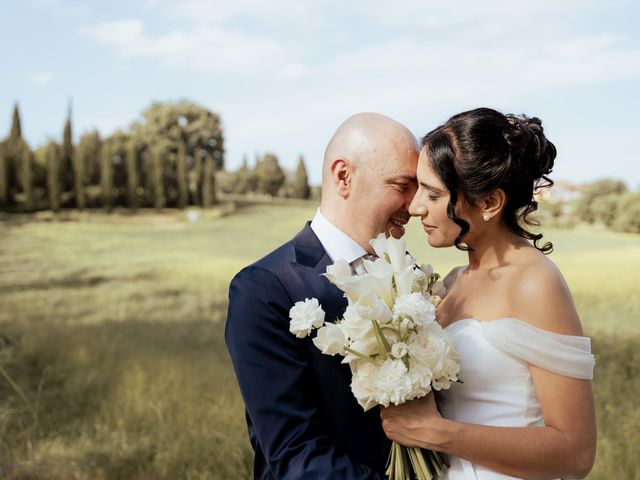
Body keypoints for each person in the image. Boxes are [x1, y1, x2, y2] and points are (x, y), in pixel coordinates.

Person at [380, 107, 597, 480]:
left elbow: (575, 452)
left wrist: (437, 434)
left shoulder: (534, 282)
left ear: (489, 203)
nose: (416, 208)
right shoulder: (450, 282)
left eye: (433, 194)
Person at [225, 112, 419, 479]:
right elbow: (296, 456)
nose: (415, 205)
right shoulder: (265, 287)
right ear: (343, 176)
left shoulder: (407, 270)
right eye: (401, 185)